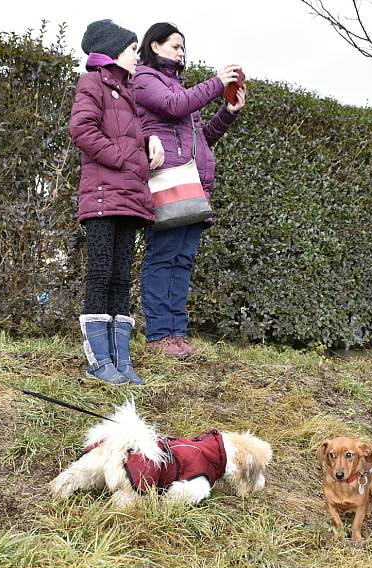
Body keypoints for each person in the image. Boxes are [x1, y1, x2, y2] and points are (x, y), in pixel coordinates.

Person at [132, 22, 245, 358]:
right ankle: (158, 335)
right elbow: (173, 106)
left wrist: (228, 113)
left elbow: (201, 140)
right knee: (162, 257)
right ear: (155, 46)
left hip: (193, 185)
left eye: (183, 48)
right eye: (175, 46)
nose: (181, 52)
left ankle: (177, 334)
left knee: (182, 261)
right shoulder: (144, 78)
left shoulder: (180, 88)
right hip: (167, 181)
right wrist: (216, 83)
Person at [69, 19, 165, 385]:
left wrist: (149, 141)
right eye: (131, 50)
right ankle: (98, 361)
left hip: (130, 197)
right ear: (111, 52)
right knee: (101, 272)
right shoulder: (92, 82)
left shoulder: (129, 93)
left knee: (123, 276)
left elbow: (133, 132)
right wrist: (121, 157)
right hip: (102, 197)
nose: (137, 57)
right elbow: (82, 129)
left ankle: (121, 361)